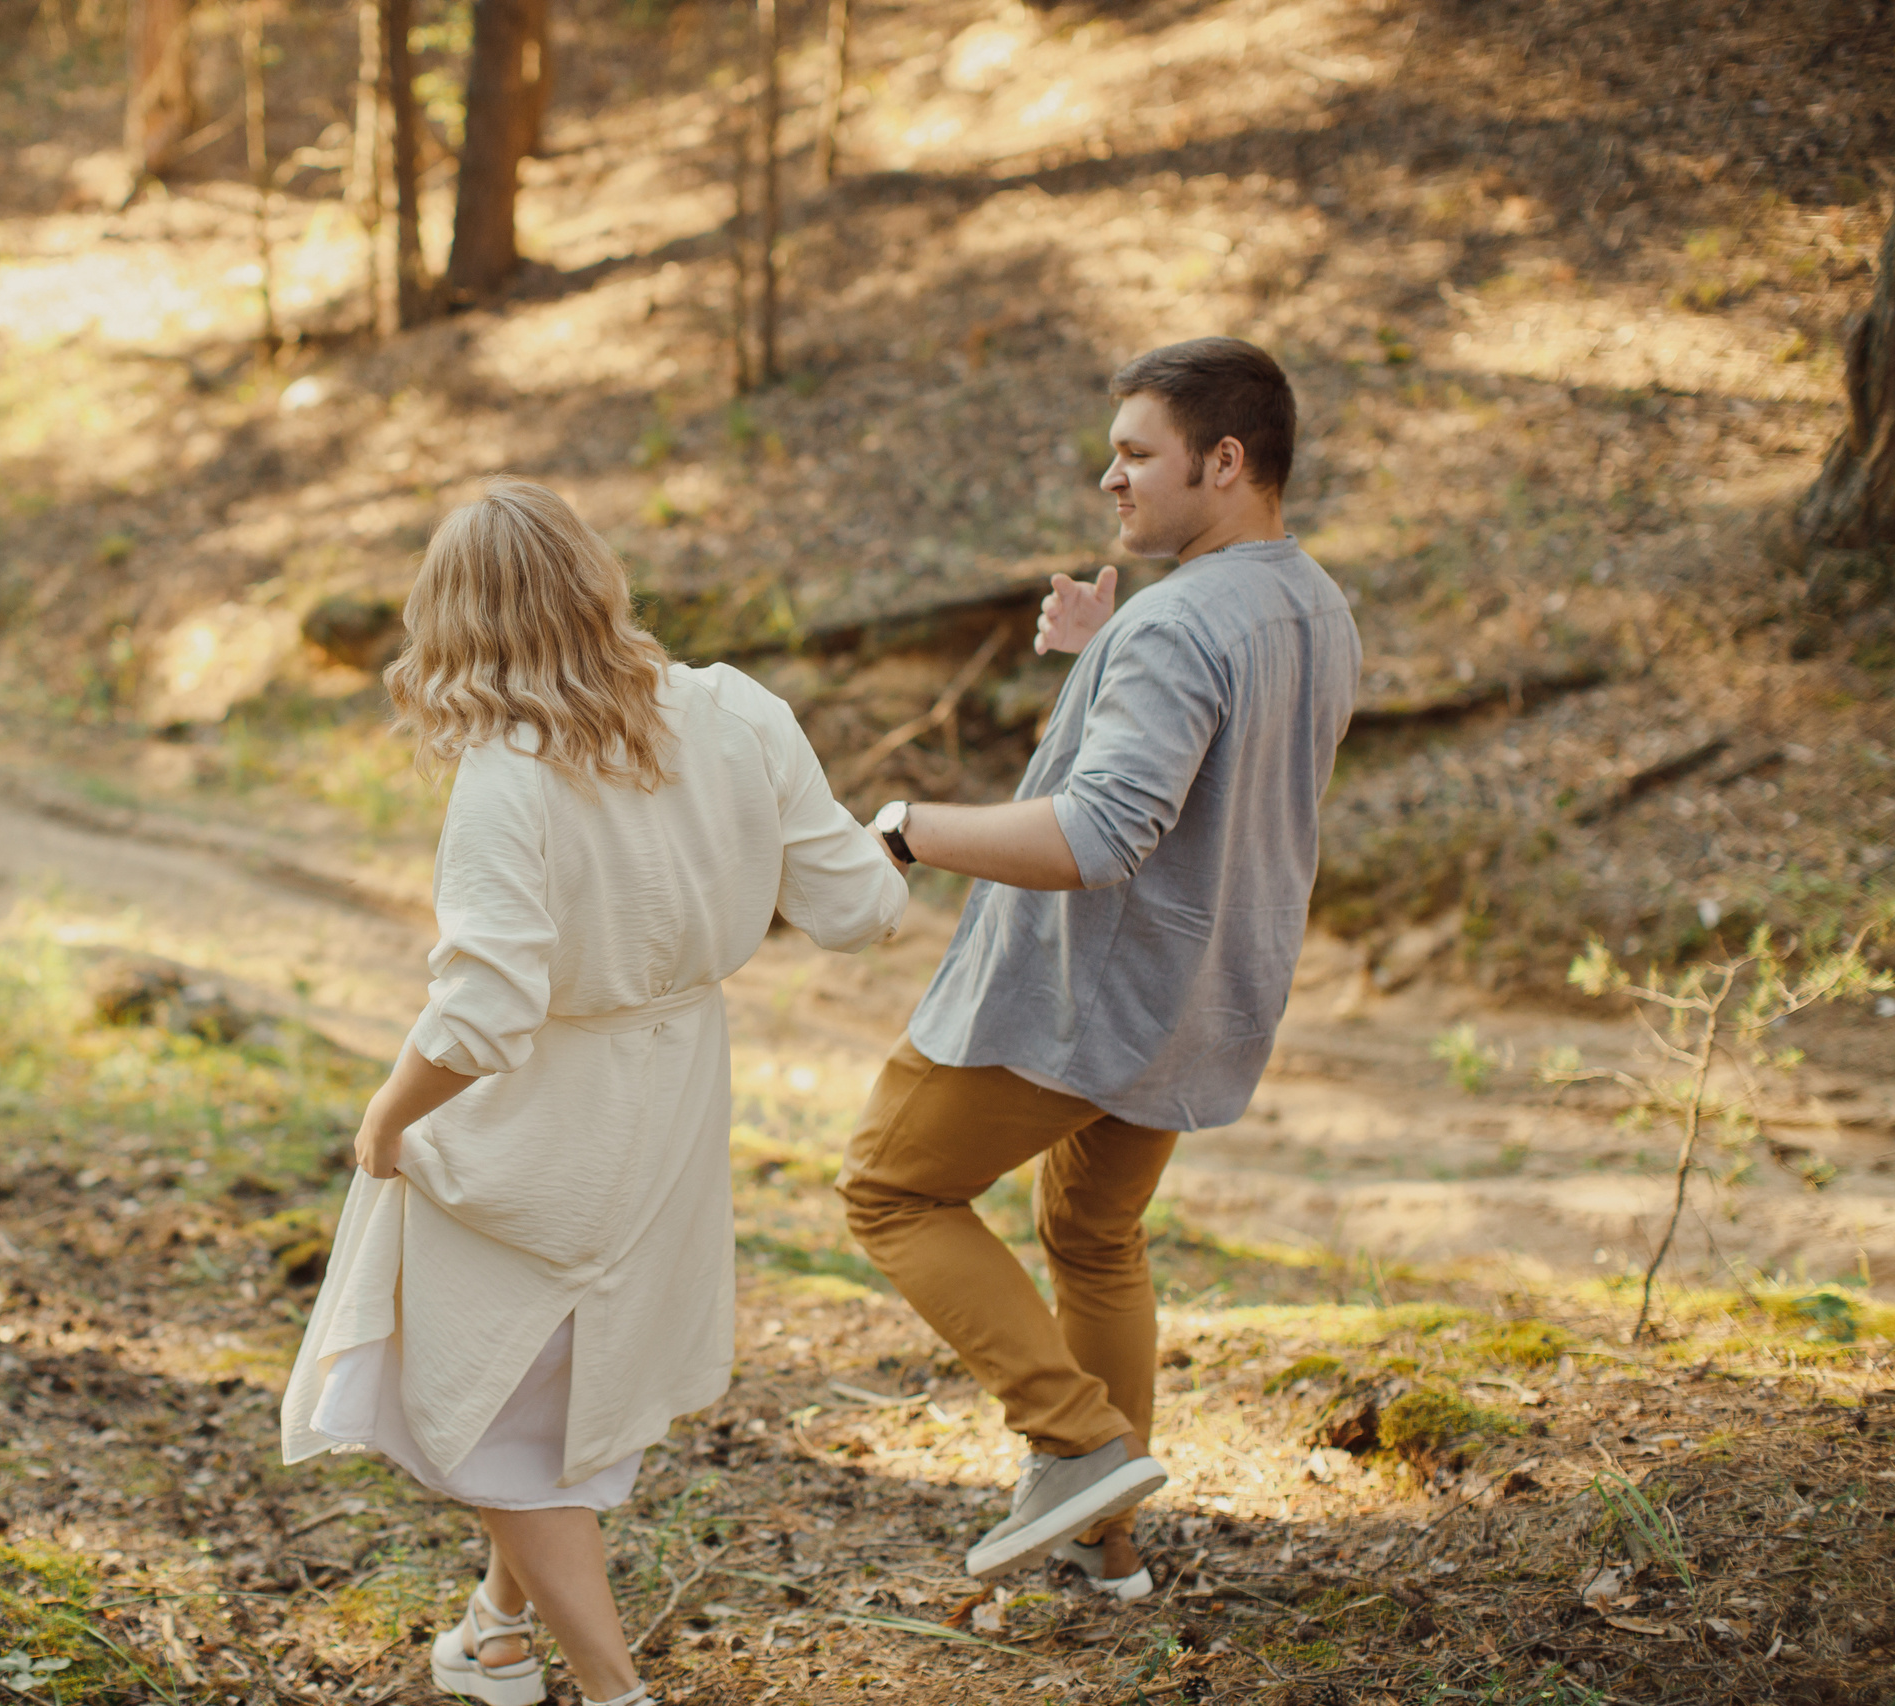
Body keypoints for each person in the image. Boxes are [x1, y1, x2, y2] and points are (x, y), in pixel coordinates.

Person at [281, 479, 909, 1706]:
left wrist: (388, 1115)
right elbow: (860, 909)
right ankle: (494, 1634)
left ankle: (616, 1691)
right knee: (553, 1372)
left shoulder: (508, 777)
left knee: (481, 1391)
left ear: (453, 620)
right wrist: (861, 837)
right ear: (598, 580)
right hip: (673, 1096)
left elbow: (483, 1012)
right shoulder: (737, 712)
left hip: (545, 1119)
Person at [842, 337, 1362, 1597]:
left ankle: (1073, 1445)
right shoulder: (1311, 604)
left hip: (1081, 1002)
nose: (1108, 481)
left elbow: (1099, 835)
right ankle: (1104, 1551)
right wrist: (1106, 654)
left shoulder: (1177, 624)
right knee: (1090, 1232)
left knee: (889, 1189)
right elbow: (1202, 770)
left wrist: (908, 825)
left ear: (1223, 461)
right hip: (1199, 998)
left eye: (1135, 454)